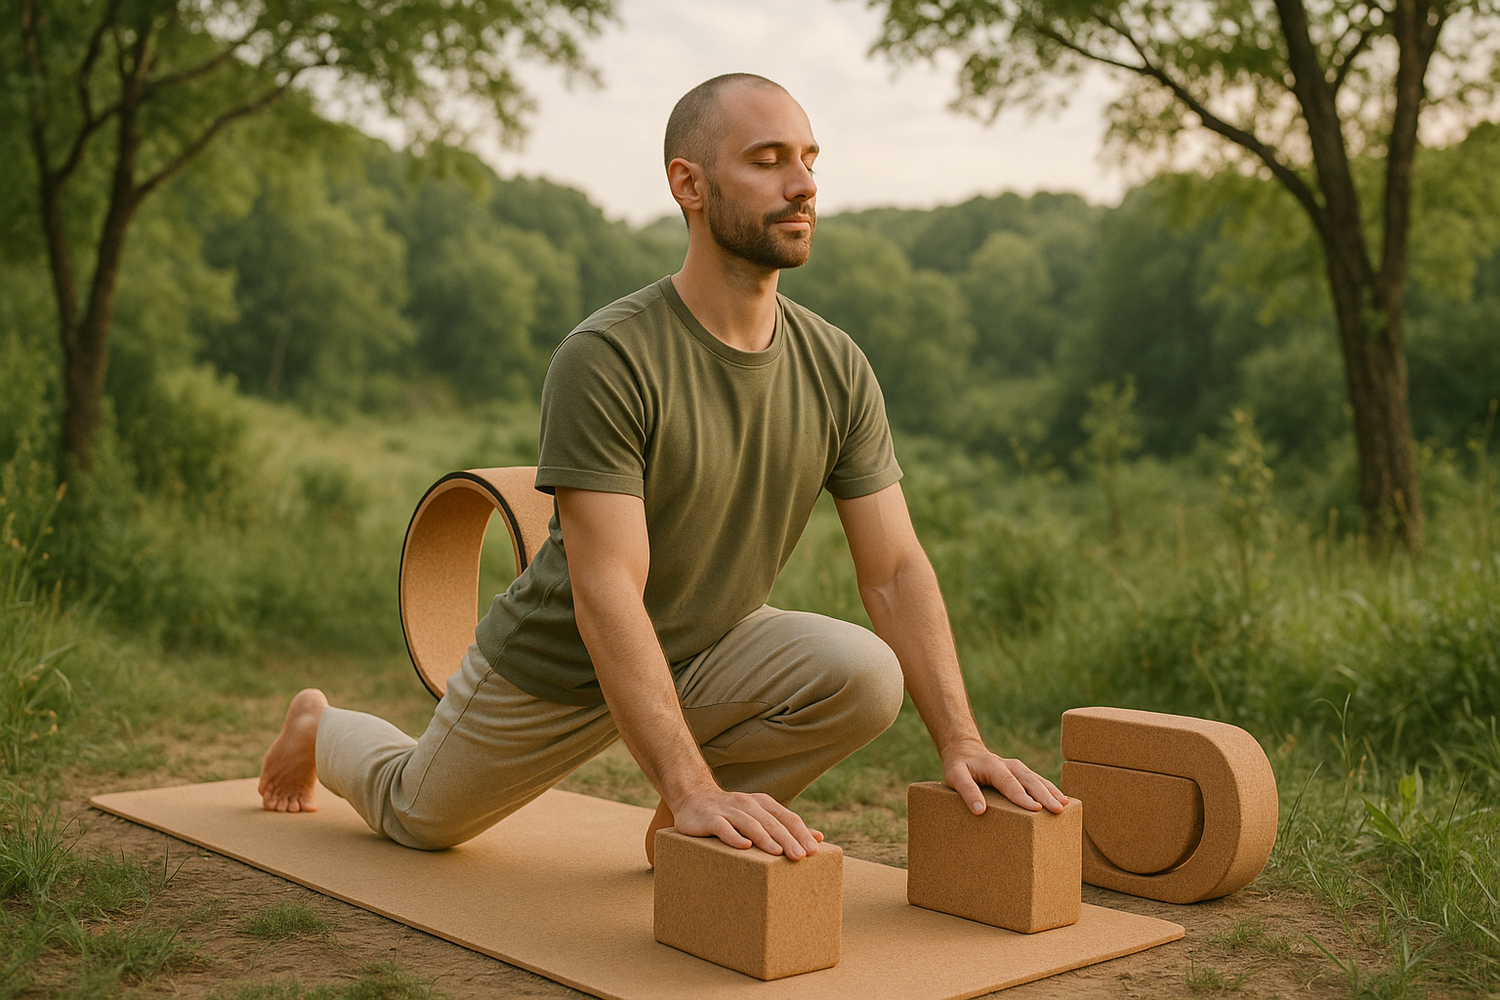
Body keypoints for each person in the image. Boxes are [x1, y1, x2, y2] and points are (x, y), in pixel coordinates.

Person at [259, 73, 1066, 866]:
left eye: (810, 159)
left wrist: (962, 741)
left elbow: (893, 569)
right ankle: (319, 726)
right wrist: (688, 782)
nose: (802, 185)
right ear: (690, 183)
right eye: (767, 159)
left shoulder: (837, 365)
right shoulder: (607, 356)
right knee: (418, 818)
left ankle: (690, 835)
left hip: (712, 643)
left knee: (862, 676)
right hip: (560, 666)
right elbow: (607, 594)